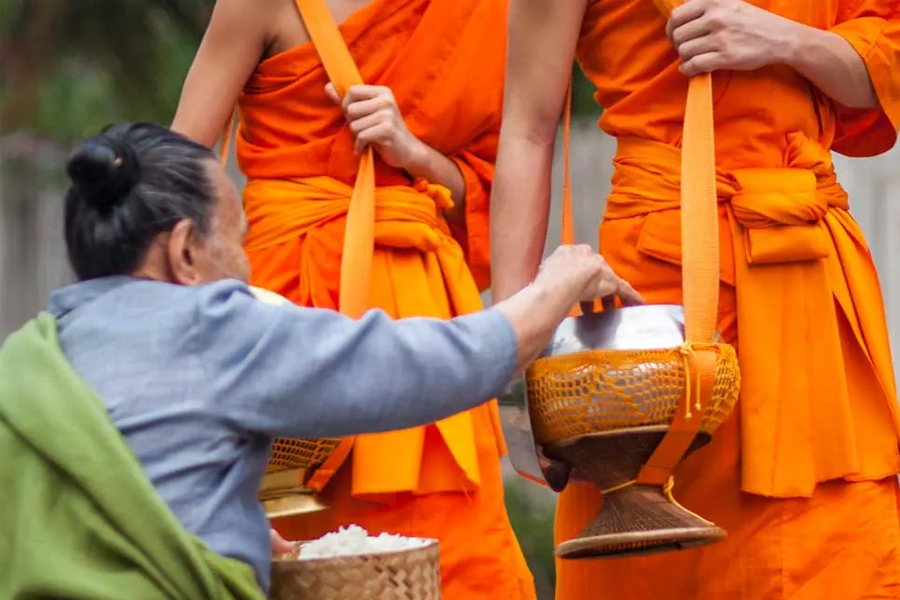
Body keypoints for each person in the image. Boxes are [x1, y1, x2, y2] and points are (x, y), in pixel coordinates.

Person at [0, 123, 640, 600]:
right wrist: (558, 282)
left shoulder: (27, 357)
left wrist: (233, 522)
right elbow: (431, 366)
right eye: (237, 239)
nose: (247, 264)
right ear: (185, 253)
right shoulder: (217, 328)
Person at [491, 1, 900, 599]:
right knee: (660, 554)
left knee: (843, 540)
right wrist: (509, 352)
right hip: (662, 289)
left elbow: (882, 67)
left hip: (812, 263)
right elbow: (527, 128)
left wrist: (783, 39)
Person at [169, 1, 541, 597]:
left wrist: (412, 152)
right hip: (289, 311)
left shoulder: (480, 11)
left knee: (457, 557)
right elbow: (172, 179)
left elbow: (498, 194)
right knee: (293, 550)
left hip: (422, 315)